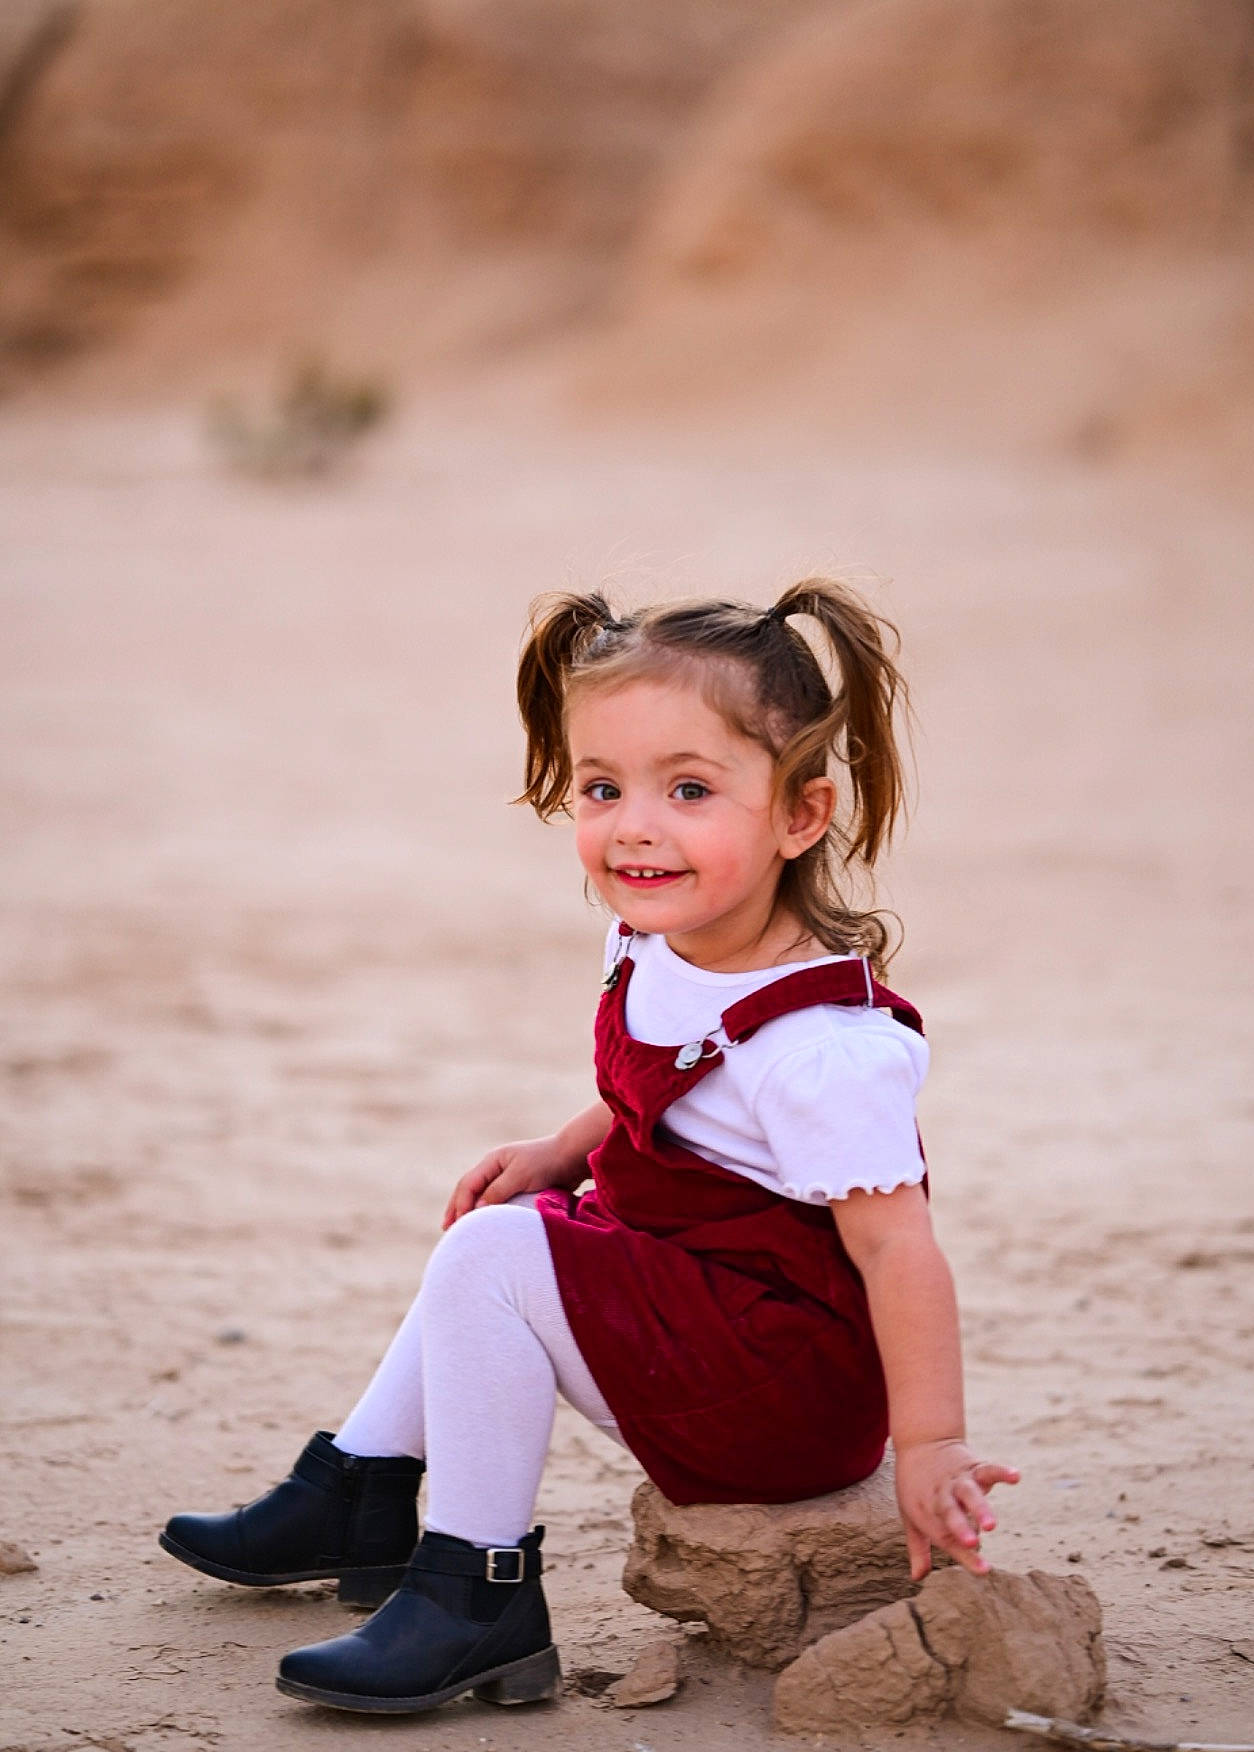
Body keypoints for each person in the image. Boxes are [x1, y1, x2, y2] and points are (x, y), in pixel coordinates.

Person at [158, 579, 1019, 1715]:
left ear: (802, 815)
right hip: (704, 1299)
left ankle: (480, 1589)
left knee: (498, 1260)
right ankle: (359, 1485)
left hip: (785, 1389)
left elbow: (899, 1250)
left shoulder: (823, 1047)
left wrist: (931, 1444)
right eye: (603, 787)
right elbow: (663, 1093)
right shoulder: (666, 933)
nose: (636, 825)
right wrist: (567, 1144)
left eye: (692, 788)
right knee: (509, 1226)